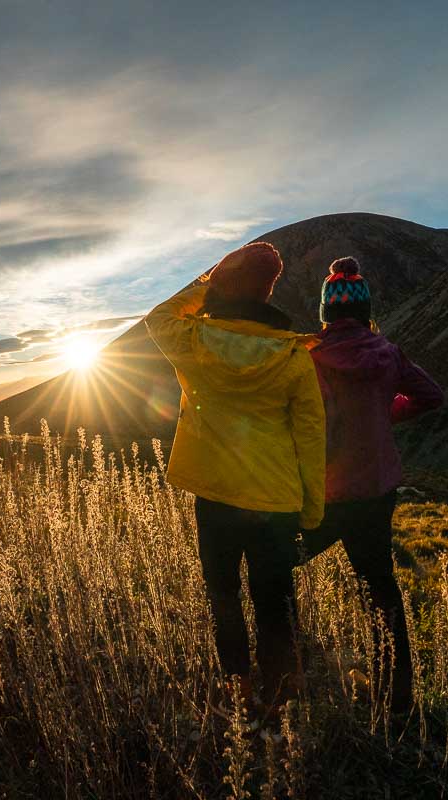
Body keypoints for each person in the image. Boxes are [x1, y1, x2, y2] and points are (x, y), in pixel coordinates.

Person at [145, 242, 326, 710]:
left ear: (224, 286)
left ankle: (238, 692)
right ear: (268, 292)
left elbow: (157, 318)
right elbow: (310, 438)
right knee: (275, 603)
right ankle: (283, 697)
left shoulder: (193, 340)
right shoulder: (292, 355)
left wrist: (207, 284)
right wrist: (312, 508)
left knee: (222, 595)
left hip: (216, 494)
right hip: (276, 500)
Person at [305, 256, 443, 714]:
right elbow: (431, 395)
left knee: (277, 562)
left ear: (326, 312)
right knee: (380, 588)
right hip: (376, 491)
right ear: (365, 311)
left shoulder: (309, 357)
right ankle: (397, 698)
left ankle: (297, 668)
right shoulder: (388, 353)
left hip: (324, 491)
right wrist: (386, 412)